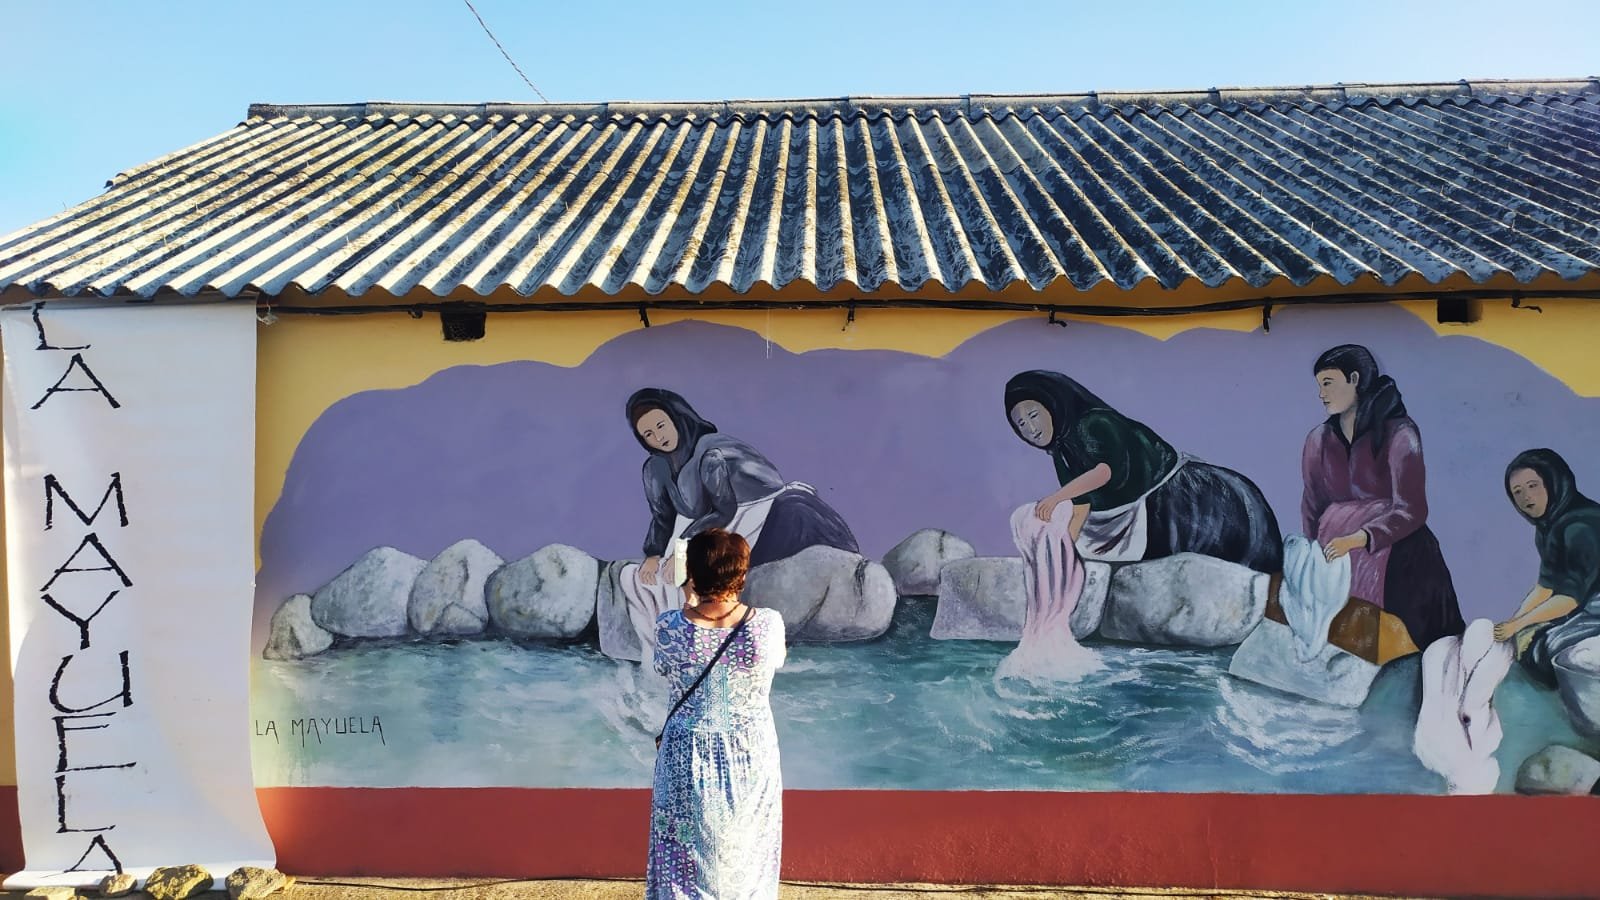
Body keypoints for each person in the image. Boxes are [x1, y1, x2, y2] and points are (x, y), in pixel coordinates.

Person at [620, 388, 855, 664]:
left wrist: (682, 549)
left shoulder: (711, 455)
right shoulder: (655, 468)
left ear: (676, 418)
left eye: (661, 425)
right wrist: (653, 553)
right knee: (641, 578)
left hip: (750, 508)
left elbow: (724, 509)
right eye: (648, 434)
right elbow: (663, 516)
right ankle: (658, 655)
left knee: (688, 573)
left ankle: (697, 649)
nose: (658, 437)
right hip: (699, 521)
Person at [1004, 370, 1281, 570]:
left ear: (1052, 405)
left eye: (1033, 415)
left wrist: (1056, 498)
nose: (1030, 429)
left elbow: (1105, 472)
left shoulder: (1093, 423)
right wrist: (1067, 552)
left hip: (1172, 497)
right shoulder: (1061, 451)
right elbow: (1081, 505)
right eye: (1020, 424)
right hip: (1126, 512)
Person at [647, 528, 786, 899]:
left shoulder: (669, 626)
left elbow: (665, 668)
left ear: (692, 571)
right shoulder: (767, 624)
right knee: (749, 851)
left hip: (686, 753)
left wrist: (690, 598)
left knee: (682, 854)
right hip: (749, 754)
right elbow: (778, 661)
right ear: (742, 572)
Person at [1301, 345, 1463, 652]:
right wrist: (1312, 555)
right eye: (1319, 385)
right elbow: (1312, 503)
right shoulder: (1318, 441)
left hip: (1400, 558)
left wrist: (1359, 538)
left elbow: (1412, 508)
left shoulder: (1400, 433)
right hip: (1335, 561)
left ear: (1354, 379)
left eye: (1327, 383)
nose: (1321, 394)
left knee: (1416, 653)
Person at [1494, 449, 1600, 687]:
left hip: (1593, 605)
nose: (1525, 498)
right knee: (1525, 644)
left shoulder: (1580, 525)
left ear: (1554, 481)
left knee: (1545, 650)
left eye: (1533, 486)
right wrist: (1514, 623)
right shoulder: (1549, 526)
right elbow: (1546, 587)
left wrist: (1518, 626)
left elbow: (1569, 598)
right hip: (1583, 606)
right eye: (1517, 492)